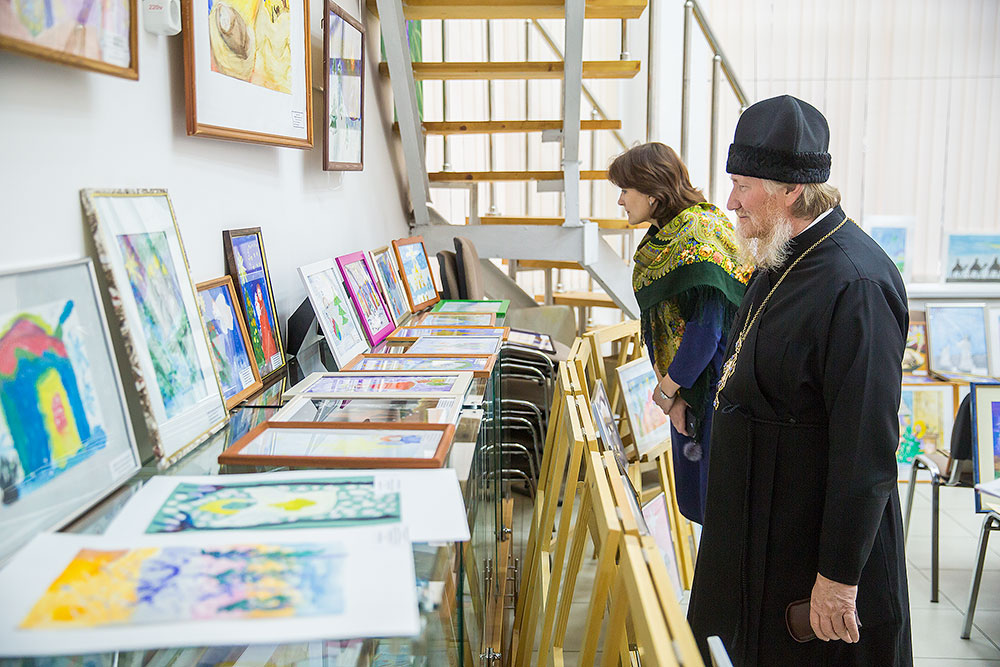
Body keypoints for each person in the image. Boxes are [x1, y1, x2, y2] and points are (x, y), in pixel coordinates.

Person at [687, 95, 912, 666]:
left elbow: (866, 447)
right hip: (759, 531)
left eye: (743, 185)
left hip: (806, 550)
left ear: (790, 189)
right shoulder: (782, 254)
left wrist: (837, 576)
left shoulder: (856, 283)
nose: (731, 201)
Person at [608, 143, 751, 524]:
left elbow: (707, 331)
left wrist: (668, 391)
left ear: (652, 194)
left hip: (710, 391)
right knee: (698, 504)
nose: (620, 201)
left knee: (712, 508)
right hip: (687, 390)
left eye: (625, 191)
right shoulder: (667, 236)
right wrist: (671, 395)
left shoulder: (698, 235)